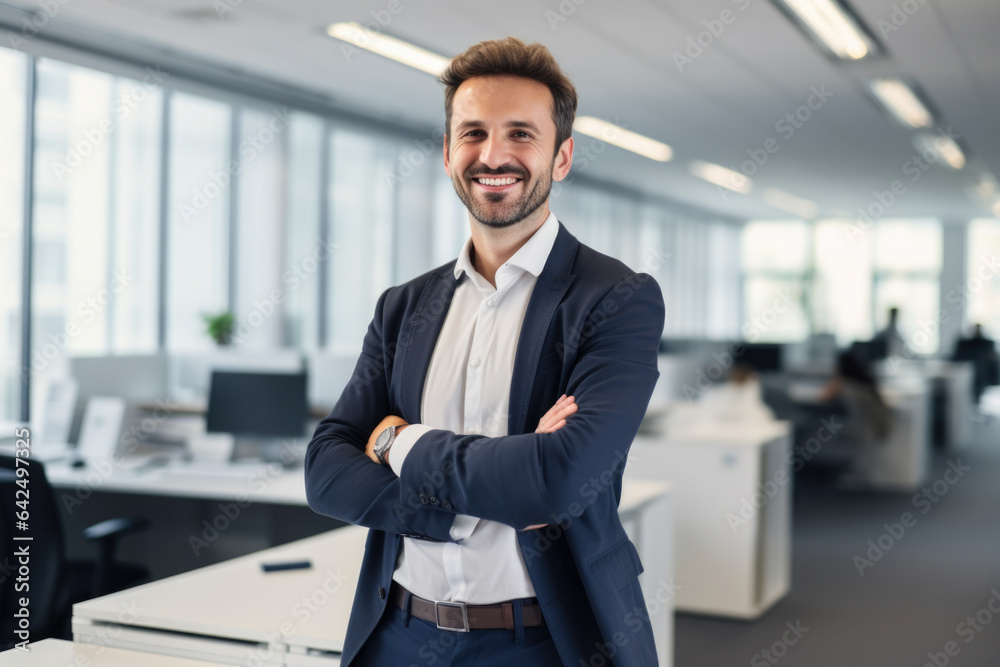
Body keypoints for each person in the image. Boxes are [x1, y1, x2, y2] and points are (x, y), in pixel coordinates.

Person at [305, 37, 664, 666]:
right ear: (448, 154)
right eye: (473, 133)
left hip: (545, 640)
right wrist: (468, 504)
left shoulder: (616, 299)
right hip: (398, 633)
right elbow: (325, 468)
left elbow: (559, 481)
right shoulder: (403, 308)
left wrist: (398, 444)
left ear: (562, 157)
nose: (493, 154)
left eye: (521, 134)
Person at [819, 351, 892, 479]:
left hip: (859, 427)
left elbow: (822, 397)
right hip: (873, 425)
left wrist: (836, 378)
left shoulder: (844, 384)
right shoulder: (863, 382)